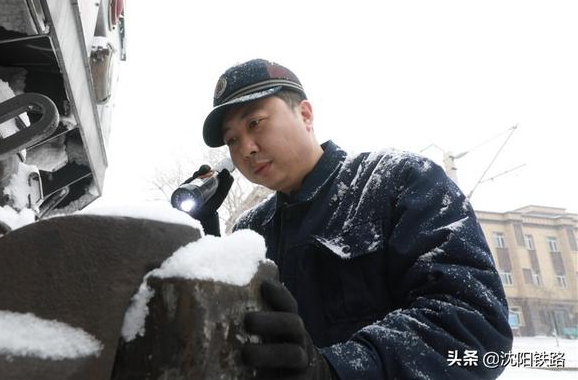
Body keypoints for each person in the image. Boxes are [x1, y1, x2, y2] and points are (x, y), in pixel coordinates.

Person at [188, 59, 513, 379]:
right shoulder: (251, 230)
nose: (245, 148)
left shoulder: (397, 181)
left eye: (255, 122)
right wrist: (203, 233)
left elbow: (475, 329)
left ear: (305, 114)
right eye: (231, 139)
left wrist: (336, 370)